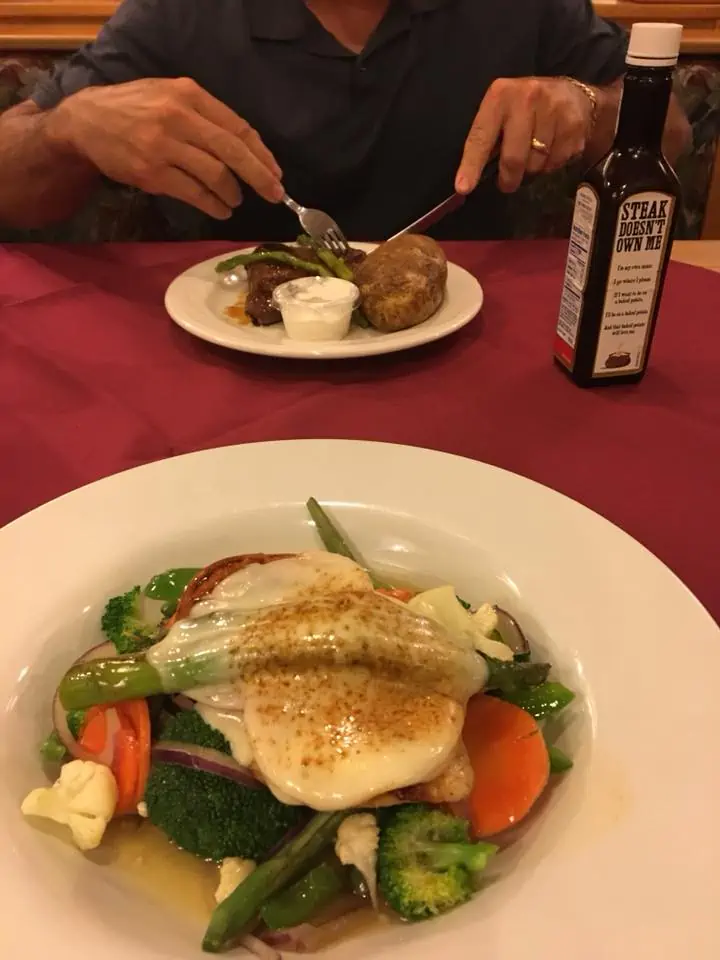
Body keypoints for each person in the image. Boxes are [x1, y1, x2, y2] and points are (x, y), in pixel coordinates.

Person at [0, 0, 690, 240]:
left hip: (470, 345)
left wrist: (588, 107)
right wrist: (71, 128)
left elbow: (675, 132)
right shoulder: (179, 13)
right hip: (237, 356)